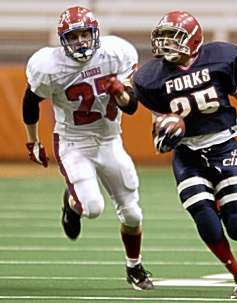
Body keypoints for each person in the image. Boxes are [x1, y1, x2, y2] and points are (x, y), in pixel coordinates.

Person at [133, 11, 237, 299]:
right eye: (163, 37)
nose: (166, 44)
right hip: (187, 154)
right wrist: (163, 133)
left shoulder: (220, 60)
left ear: (193, 41)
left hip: (224, 146)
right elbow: (160, 119)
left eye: (174, 38)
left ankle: (219, 199)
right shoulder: (151, 78)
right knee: (205, 220)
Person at [22, 6, 153, 291]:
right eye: (74, 36)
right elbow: (30, 102)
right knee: (92, 208)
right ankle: (71, 203)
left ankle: (135, 267)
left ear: (96, 34)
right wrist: (33, 141)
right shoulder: (49, 65)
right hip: (73, 143)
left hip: (109, 140)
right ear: (62, 39)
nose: (81, 41)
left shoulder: (116, 53)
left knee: (133, 214)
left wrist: (119, 91)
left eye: (85, 34)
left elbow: (131, 108)